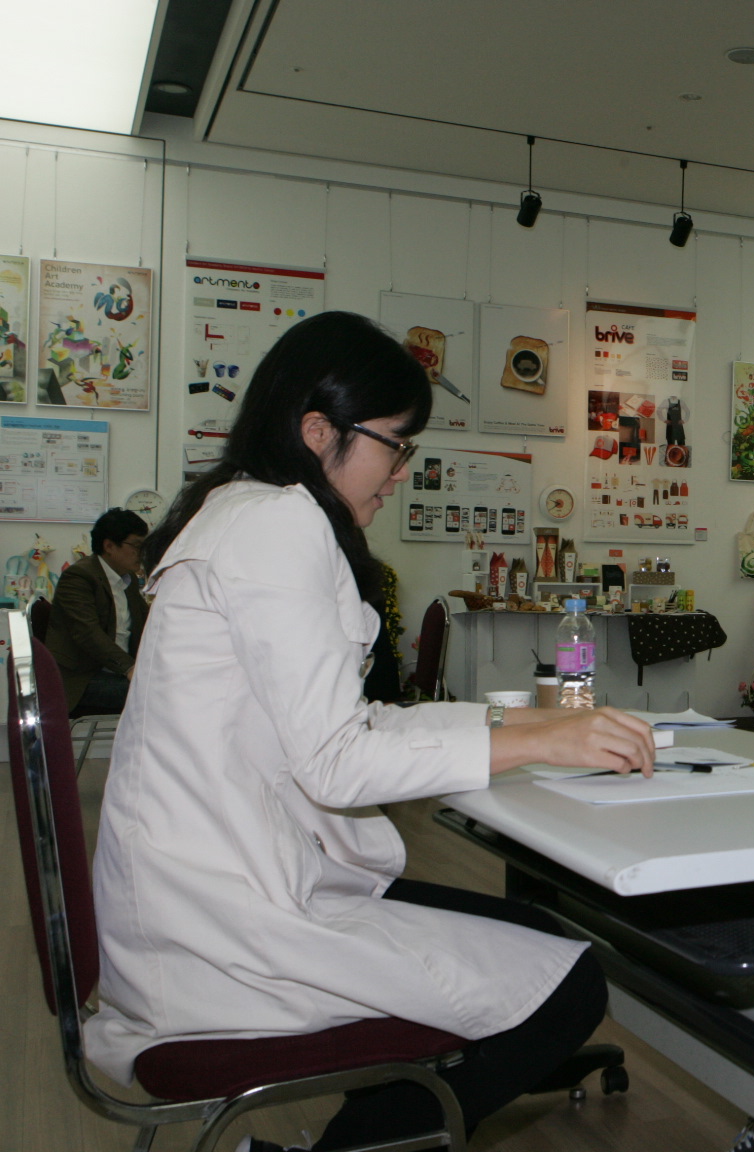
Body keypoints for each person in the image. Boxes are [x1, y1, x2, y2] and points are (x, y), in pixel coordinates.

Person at [89, 312, 658, 1152]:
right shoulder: (277, 523)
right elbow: (337, 760)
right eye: (396, 445)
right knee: (570, 986)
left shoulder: (241, 510)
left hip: (211, 886)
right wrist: (543, 741)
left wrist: (528, 720)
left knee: (538, 942)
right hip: (223, 921)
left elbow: (346, 723)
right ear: (319, 431)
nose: (399, 473)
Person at [44, 507, 150, 713]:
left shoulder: (127, 578)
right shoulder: (79, 577)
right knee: (156, 694)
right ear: (109, 546)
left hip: (114, 671)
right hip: (81, 679)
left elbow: (146, 622)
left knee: (168, 685)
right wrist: (129, 668)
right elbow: (87, 633)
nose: (142, 553)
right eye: (137, 546)